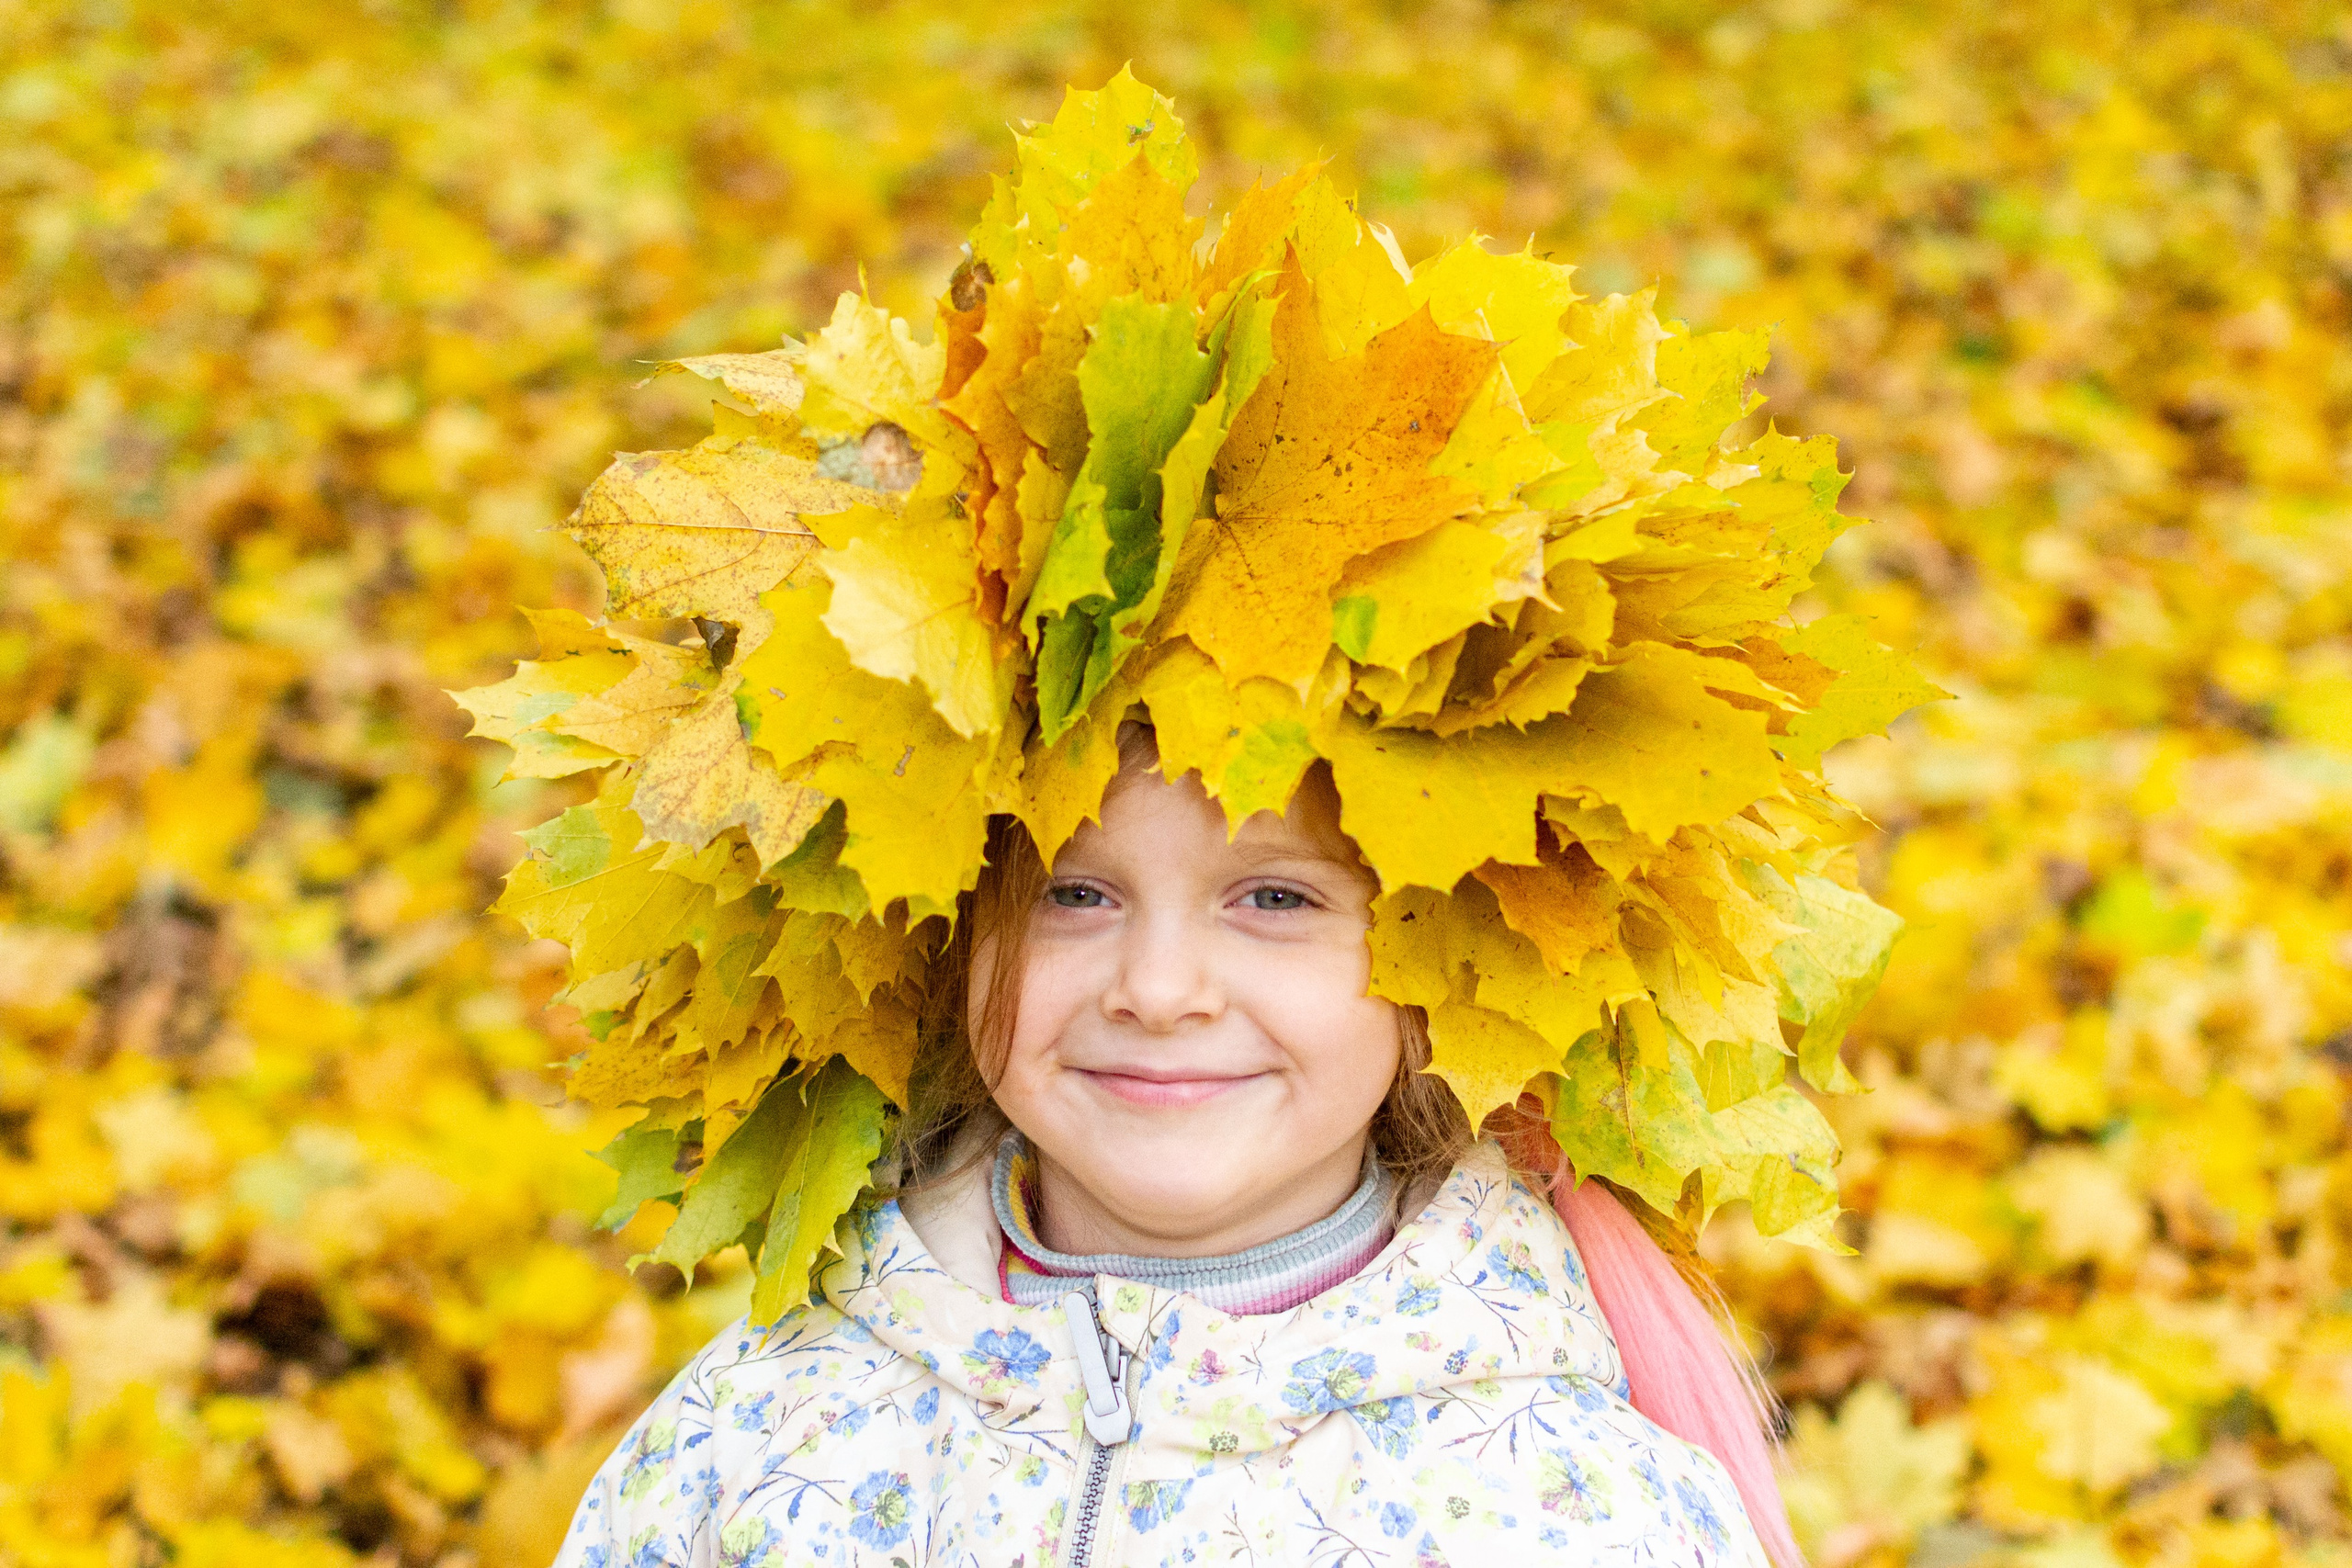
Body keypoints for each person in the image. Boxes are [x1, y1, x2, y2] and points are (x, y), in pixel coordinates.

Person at [551, 728, 1799, 1568]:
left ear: (1453, 965)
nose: (1157, 988)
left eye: (1275, 899)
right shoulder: (767, 1432)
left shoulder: (1572, 1511)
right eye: (1073, 893)